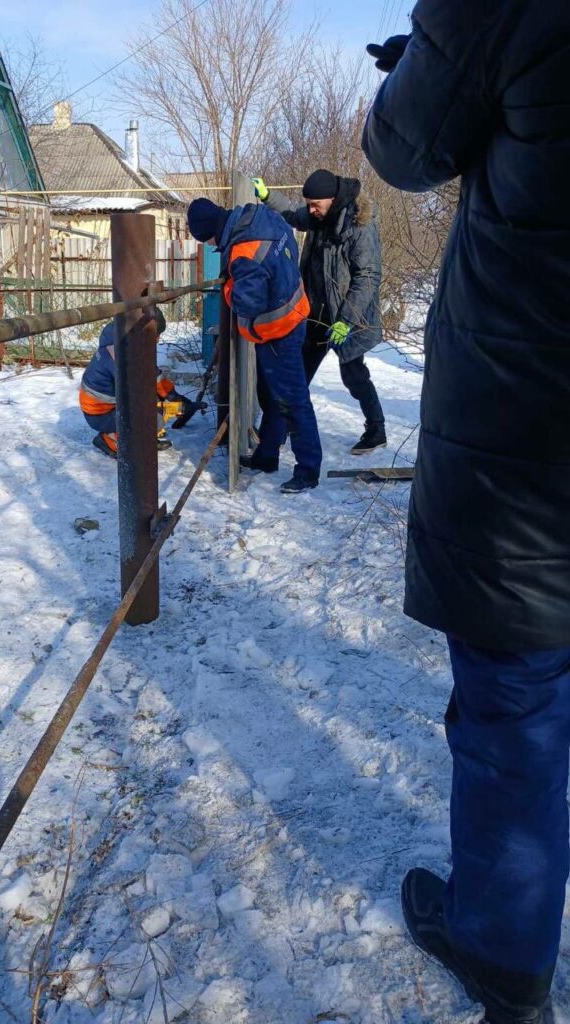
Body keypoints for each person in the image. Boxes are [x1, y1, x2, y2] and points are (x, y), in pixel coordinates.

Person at [362, 3, 570, 1023]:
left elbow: (402, 146)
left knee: (516, 711)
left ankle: (503, 954)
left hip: (529, 448)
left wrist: (435, 57)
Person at [187, 196, 322, 493]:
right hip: (295, 311)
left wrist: (229, 287)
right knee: (272, 395)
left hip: (279, 330)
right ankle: (267, 455)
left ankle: (308, 471)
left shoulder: (242, 251)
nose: (211, 245)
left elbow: (248, 303)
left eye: (208, 240)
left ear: (210, 231)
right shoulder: (263, 217)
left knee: (293, 400)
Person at [252, 169, 386, 455]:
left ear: (333, 199)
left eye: (316, 204)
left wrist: (346, 321)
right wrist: (267, 197)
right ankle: (282, 431)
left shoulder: (359, 226)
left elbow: (369, 276)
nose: (311, 210)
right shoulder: (318, 217)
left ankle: (376, 429)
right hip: (315, 316)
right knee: (296, 375)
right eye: (309, 204)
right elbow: (290, 213)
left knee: (354, 375)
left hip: (347, 317)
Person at [78, 310, 198, 460]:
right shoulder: (120, 352)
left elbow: (151, 374)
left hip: (105, 406)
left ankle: (142, 438)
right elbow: (142, 383)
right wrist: (169, 404)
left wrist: (173, 395)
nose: (157, 340)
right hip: (101, 414)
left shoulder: (121, 340)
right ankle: (110, 441)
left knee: (156, 404)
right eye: (155, 334)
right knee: (152, 416)